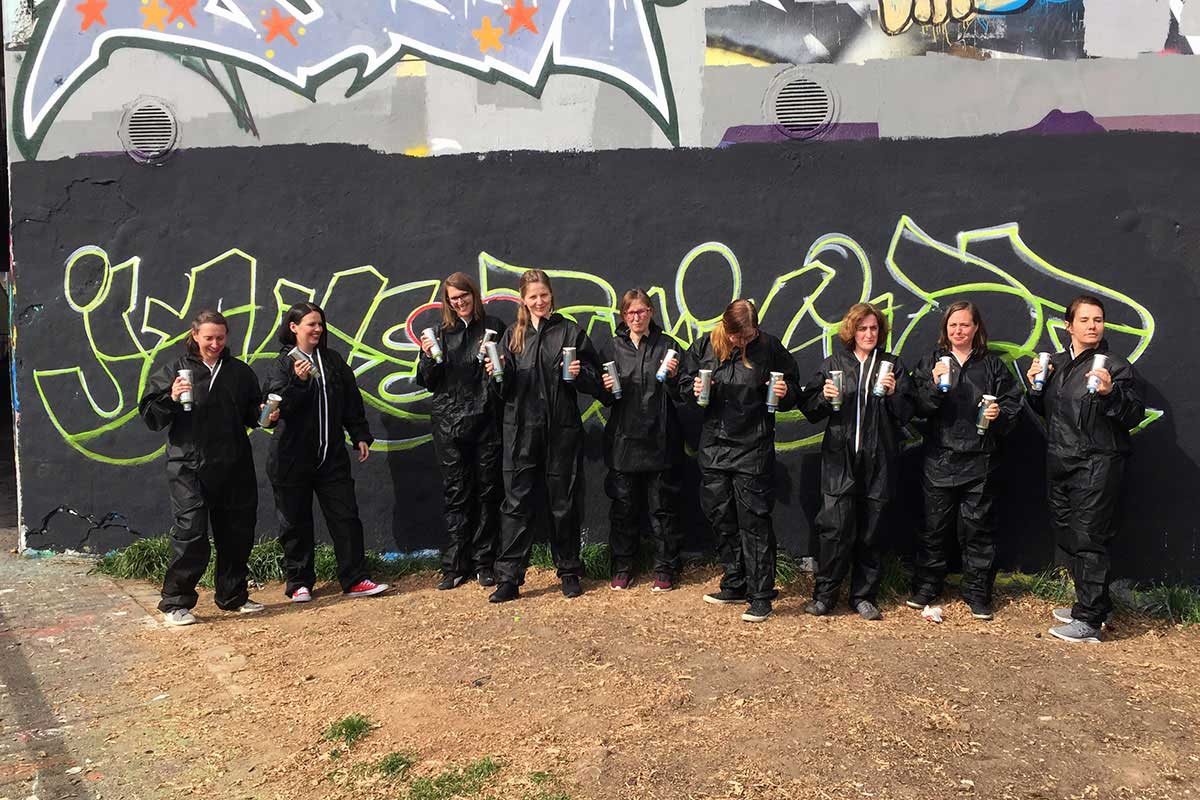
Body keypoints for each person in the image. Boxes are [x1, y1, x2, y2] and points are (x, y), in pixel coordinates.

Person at [139, 310, 274, 626]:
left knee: (237, 532)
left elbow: (252, 416)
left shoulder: (239, 372)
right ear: (195, 335)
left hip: (234, 464)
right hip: (188, 465)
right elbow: (150, 416)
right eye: (209, 338)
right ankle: (175, 602)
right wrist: (171, 397)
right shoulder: (175, 370)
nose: (215, 344)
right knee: (191, 532)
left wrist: (266, 415)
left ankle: (232, 595)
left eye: (220, 338)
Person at [1025, 295, 1144, 643]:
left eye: (1098, 320)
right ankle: (1093, 604)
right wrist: (1035, 387)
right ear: (1069, 326)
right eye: (1085, 320)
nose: (1093, 326)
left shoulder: (1115, 367)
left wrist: (1110, 393)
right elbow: (1049, 410)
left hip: (1097, 462)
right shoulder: (1059, 364)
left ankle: (1089, 622)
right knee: (1069, 536)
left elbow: (1133, 414)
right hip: (1061, 460)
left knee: (1089, 538)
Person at [679, 299, 801, 623]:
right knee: (721, 516)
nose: (742, 341)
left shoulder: (769, 347)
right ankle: (734, 582)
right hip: (714, 445)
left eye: (748, 336)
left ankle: (761, 595)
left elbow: (793, 389)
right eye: (737, 336)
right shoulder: (706, 345)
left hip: (753, 446)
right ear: (726, 328)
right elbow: (682, 384)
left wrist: (784, 391)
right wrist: (692, 388)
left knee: (754, 522)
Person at [484, 269, 602, 602]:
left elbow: (597, 381)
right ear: (523, 299)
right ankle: (509, 578)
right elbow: (501, 392)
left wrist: (581, 374)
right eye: (533, 296)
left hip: (561, 429)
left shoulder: (570, 332)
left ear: (552, 295)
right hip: (520, 430)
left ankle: (569, 571)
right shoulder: (513, 336)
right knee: (516, 504)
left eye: (544, 295)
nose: (539, 301)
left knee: (563, 501)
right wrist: (496, 374)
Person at [262, 302, 388, 603]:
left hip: (331, 457)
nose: (318, 329)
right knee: (295, 522)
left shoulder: (332, 360)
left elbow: (350, 400)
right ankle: (299, 582)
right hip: (292, 458)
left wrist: (359, 434)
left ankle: (355, 579)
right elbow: (277, 407)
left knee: (346, 517)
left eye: (320, 324)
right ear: (294, 327)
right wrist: (299, 382)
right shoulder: (283, 364)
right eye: (311, 324)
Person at [909, 301, 1023, 620]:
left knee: (978, 531)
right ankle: (927, 587)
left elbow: (1012, 406)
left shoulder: (992, 365)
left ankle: (977, 593)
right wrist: (934, 386)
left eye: (965, 325)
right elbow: (916, 407)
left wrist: (998, 415)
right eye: (953, 325)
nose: (958, 331)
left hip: (981, 460)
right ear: (945, 329)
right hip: (940, 458)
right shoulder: (932, 362)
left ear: (976, 328)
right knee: (934, 528)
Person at [802, 302, 914, 621]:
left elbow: (908, 412)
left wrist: (894, 395)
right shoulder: (834, 364)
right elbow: (810, 409)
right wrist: (824, 397)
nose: (868, 334)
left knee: (872, 529)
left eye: (874, 328)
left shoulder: (892, 366)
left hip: (880, 458)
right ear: (851, 331)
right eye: (862, 328)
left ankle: (864, 596)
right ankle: (825, 595)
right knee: (834, 529)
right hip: (839, 458)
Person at [416, 272, 507, 589]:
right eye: (453, 299)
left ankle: (485, 562)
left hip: (486, 421)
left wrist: (500, 363)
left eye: (463, 296)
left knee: (488, 492)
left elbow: (504, 376)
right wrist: (428, 357)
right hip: (448, 424)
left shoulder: (494, 327)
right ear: (447, 302)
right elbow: (427, 381)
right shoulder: (440, 333)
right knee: (457, 493)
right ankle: (455, 565)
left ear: (473, 294)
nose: (459, 302)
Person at [596, 289, 685, 592]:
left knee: (663, 509)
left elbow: (683, 393)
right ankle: (623, 567)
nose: (636, 317)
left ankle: (665, 568)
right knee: (623, 509)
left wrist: (675, 378)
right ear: (623, 316)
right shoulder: (612, 348)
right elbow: (605, 397)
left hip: (660, 438)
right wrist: (604, 387)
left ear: (651, 312)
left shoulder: (668, 346)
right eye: (631, 313)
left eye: (642, 311)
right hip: (624, 441)